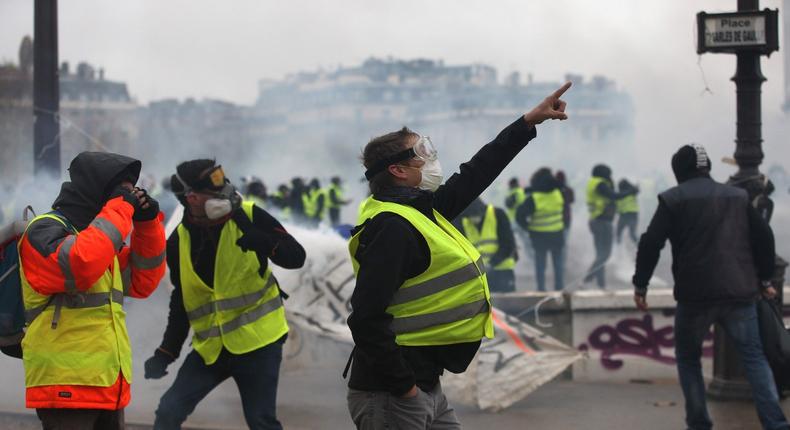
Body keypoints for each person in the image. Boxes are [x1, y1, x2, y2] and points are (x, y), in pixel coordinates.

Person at [345, 82, 571, 430]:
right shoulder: (392, 226)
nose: (432, 160)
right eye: (422, 153)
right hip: (392, 395)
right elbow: (365, 318)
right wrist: (404, 387)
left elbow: (476, 172)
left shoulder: (421, 212)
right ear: (398, 170)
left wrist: (527, 123)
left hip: (427, 386)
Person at [632, 144, 788, 430]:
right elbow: (764, 236)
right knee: (754, 358)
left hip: (695, 296)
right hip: (740, 292)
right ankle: (776, 424)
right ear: (707, 169)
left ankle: (699, 423)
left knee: (689, 359)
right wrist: (765, 279)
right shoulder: (738, 196)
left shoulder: (673, 199)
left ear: (679, 171)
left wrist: (641, 285)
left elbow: (651, 242)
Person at [144, 159, 306, 430]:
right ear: (192, 198)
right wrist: (166, 352)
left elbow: (296, 257)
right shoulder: (178, 242)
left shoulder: (251, 216)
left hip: (259, 342)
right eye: (213, 192)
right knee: (168, 413)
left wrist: (266, 242)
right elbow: (183, 300)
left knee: (260, 420)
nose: (226, 195)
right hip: (211, 349)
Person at [18, 151, 166, 429]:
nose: (131, 197)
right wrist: (121, 208)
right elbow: (79, 265)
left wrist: (148, 223)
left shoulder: (99, 240)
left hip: (107, 384)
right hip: (66, 385)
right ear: (98, 191)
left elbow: (142, 280)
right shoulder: (44, 230)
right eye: (123, 191)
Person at [583, 164, 635, 288]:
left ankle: (601, 285)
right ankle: (587, 278)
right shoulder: (600, 183)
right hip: (602, 222)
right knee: (605, 255)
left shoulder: (592, 182)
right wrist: (630, 192)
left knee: (600, 255)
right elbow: (614, 195)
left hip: (596, 221)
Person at [516, 167, 565, 291]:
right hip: (557, 235)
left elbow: (519, 215)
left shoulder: (534, 198)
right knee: (558, 265)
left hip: (539, 237)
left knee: (540, 265)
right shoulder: (558, 193)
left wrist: (527, 227)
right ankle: (559, 289)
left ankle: (541, 290)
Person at [456, 198, 517, 293]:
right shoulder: (463, 220)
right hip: (478, 275)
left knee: (506, 302)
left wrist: (492, 263)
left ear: (482, 211)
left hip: (502, 271)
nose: (473, 219)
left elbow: (508, 244)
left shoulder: (497, 214)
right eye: (470, 216)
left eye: (475, 215)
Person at [615, 178, 640, 244]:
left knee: (618, 232)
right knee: (632, 233)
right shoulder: (632, 193)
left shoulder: (621, 194)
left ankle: (618, 247)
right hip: (634, 214)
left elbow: (618, 206)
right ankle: (641, 245)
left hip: (624, 214)